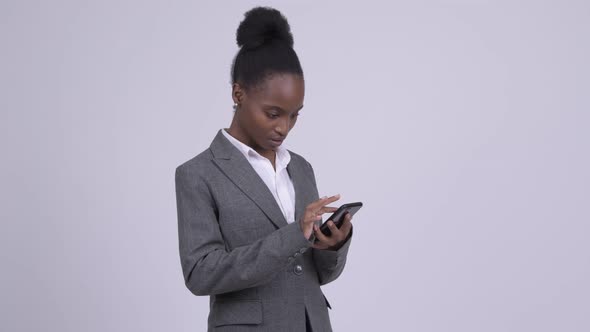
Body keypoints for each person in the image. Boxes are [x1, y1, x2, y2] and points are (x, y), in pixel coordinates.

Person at [175, 7, 354, 331]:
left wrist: (332, 247)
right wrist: (292, 235)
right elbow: (200, 274)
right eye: (273, 113)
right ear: (238, 93)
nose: (284, 128)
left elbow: (316, 274)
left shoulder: (300, 168)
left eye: (294, 115)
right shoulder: (198, 174)